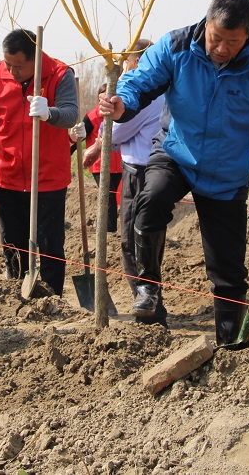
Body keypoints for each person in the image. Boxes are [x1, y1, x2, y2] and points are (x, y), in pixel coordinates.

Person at [98, 0, 249, 346]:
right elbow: (139, 81)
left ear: (247, 36)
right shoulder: (175, 45)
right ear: (206, 24)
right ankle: (147, 288)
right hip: (177, 151)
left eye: (233, 43)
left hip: (226, 170)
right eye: (216, 38)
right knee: (151, 200)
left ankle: (230, 341)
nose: (221, 49)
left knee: (228, 266)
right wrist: (122, 104)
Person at [0, 28, 79, 296]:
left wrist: (49, 113)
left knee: (50, 246)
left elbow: (71, 113)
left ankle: (52, 299)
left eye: (19, 66)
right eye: (8, 64)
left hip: (47, 178)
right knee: (12, 244)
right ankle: (16, 294)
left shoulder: (59, 75)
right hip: (7, 175)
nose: (12, 72)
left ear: (36, 59)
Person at [86, 39, 168, 325]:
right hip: (155, 170)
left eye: (128, 63)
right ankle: (151, 307)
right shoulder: (161, 88)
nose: (124, 69)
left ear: (138, 62)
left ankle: (150, 314)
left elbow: (116, 133)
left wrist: (97, 144)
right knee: (147, 241)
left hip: (141, 172)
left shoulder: (145, 93)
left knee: (133, 242)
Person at [71, 82, 123, 233]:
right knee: (108, 196)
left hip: (120, 164)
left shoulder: (121, 115)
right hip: (100, 165)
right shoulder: (92, 117)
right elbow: (80, 137)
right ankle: (109, 231)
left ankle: (115, 229)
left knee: (115, 196)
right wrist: (68, 151)